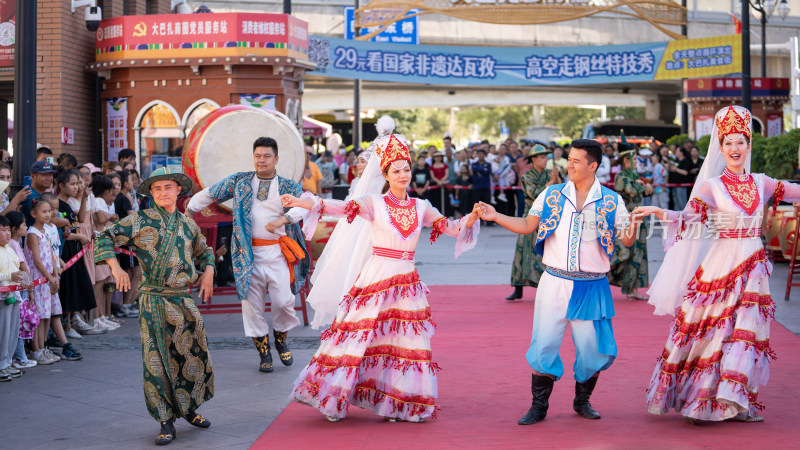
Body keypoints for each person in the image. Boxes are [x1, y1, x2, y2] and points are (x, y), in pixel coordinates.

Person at [282, 124, 481, 423]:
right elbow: (340, 207)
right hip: (376, 276)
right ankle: (332, 395)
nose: (402, 175)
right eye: (396, 171)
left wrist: (474, 216)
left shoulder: (421, 206)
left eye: (406, 170)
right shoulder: (374, 203)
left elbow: (451, 228)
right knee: (358, 336)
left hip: (406, 281)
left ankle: (397, 403)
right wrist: (304, 202)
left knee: (402, 343)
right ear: (385, 175)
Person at [635, 105, 800, 424]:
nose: (735, 148)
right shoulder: (712, 186)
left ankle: (734, 402)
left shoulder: (762, 184)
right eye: (728, 143)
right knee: (713, 332)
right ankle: (700, 400)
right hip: (720, 268)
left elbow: (794, 192)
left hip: (753, 270)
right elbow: (688, 221)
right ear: (720, 148)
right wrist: (660, 213)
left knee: (745, 334)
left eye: (740, 142)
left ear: (748, 146)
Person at [477, 139, 641, 426]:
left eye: (576, 160)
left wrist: (637, 220)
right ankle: (538, 406)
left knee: (592, 350)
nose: (569, 164)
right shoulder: (552, 195)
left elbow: (626, 239)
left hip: (592, 285)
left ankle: (582, 400)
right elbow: (529, 225)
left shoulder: (612, 200)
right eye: (569, 158)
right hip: (554, 281)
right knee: (544, 345)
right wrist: (496, 216)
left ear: (593, 166)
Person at [94, 167, 216, 445]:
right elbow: (103, 237)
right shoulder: (139, 220)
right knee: (157, 360)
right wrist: (115, 267)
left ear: (178, 191)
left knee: (192, 352)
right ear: (151, 193)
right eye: (157, 188)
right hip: (153, 299)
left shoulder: (188, 224)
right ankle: (165, 419)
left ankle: (190, 408)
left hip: (183, 297)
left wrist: (208, 270)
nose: (163, 192)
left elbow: (205, 250)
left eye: (168, 187)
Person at [186, 137, 310, 374]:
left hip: (278, 253)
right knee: (251, 306)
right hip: (247, 254)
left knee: (284, 302)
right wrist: (191, 208)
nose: (261, 161)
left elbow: (302, 208)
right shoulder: (240, 181)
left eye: (266, 156)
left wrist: (284, 219)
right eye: (257, 156)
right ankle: (264, 352)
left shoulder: (288, 186)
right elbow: (212, 193)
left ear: (276, 159)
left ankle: (281, 338)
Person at [26, 197, 81, 364]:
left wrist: (55, 276)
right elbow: (37, 260)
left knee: (47, 315)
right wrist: (50, 277)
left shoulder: (47, 231)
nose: (48, 214)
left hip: (49, 279)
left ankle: (44, 347)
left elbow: (51, 255)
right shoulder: (33, 234)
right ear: (34, 213)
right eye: (44, 211)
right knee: (38, 316)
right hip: (39, 279)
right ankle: (37, 350)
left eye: (49, 211)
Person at [506, 144, 561, 301]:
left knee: (544, 254)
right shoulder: (526, 176)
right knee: (522, 252)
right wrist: (551, 182)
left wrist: (557, 179)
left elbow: (561, 191)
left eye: (546, 157)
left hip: (548, 218)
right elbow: (535, 194)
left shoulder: (550, 174)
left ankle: (545, 289)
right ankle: (518, 289)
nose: (545, 160)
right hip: (529, 218)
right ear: (534, 159)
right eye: (542, 157)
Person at [55, 170, 97, 340]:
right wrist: (80, 236)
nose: (76, 187)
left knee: (76, 286)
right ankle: (67, 324)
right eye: (72, 184)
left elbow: (79, 219)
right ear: (61, 185)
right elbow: (65, 233)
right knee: (68, 288)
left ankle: (71, 321)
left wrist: (84, 198)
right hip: (66, 250)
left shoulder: (67, 204)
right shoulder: (57, 204)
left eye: (77, 183)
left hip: (74, 249)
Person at [607, 147, 653, 301]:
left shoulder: (635, 176)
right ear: (625, 161)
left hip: (639, 217)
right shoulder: (621, 177)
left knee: (638, 253)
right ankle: (602, 274)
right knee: (625, 252)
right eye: (633, 159)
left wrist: (644, 185)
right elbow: (632, 190)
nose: (636, 162)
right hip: (625, 220)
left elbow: (646, 191)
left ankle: (633, 288)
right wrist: (642, 185)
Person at [0, 214, 29, 381]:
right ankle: (1, 365)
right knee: (3, 332)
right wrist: (9, 275)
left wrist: (25, 282)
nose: (7, 233)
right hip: (2, 296)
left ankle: (7, 362)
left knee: (12, 332)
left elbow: (18, 269)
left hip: (14, 295)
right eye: (2, 230)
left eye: (7, 229)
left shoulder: (10, 248)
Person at [7, 211, 38, 371]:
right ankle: (20, 357)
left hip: (22, 288)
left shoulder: (16, 243)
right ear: (14, 229)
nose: (26, 227)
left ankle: (17, 357)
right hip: (20, 288)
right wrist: (30, 286)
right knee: (18, 325)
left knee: (20, 323)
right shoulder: (13, 244)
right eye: (24, 224)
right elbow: (23, 266)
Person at [90, 175, 120, 331]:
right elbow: (101, 219)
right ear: (106, 190)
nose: (112, 197)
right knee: (99, 283)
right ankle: (95, 317)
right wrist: (111, 216)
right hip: (100, 245)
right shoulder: (100, 201)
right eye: (112, 193)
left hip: (104, 244)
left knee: (103, 283)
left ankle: (100, 315)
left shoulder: (100, 201)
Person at [113, 170, 140, 319]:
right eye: (130, 180)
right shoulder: (122, 198)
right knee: (134, 271)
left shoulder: (123, 197)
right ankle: (126, 304)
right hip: (126, 240)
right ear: (125, 184)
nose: (133, 183)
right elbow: (133, 218)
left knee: (133, 272)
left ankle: (127, 304)